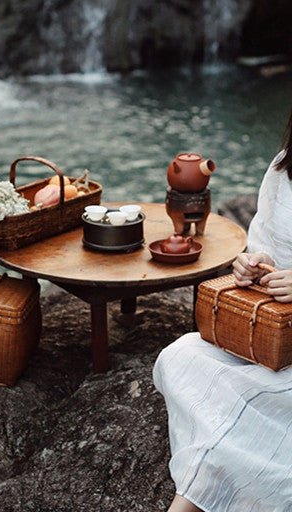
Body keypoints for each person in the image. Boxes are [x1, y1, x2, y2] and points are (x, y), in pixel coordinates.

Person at [153, 109, 292, 512]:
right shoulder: (283, 170)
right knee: (179, 357)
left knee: (247, 409)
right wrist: (251, 264)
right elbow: (263, 247)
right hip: (268, 335)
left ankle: (192, 499)